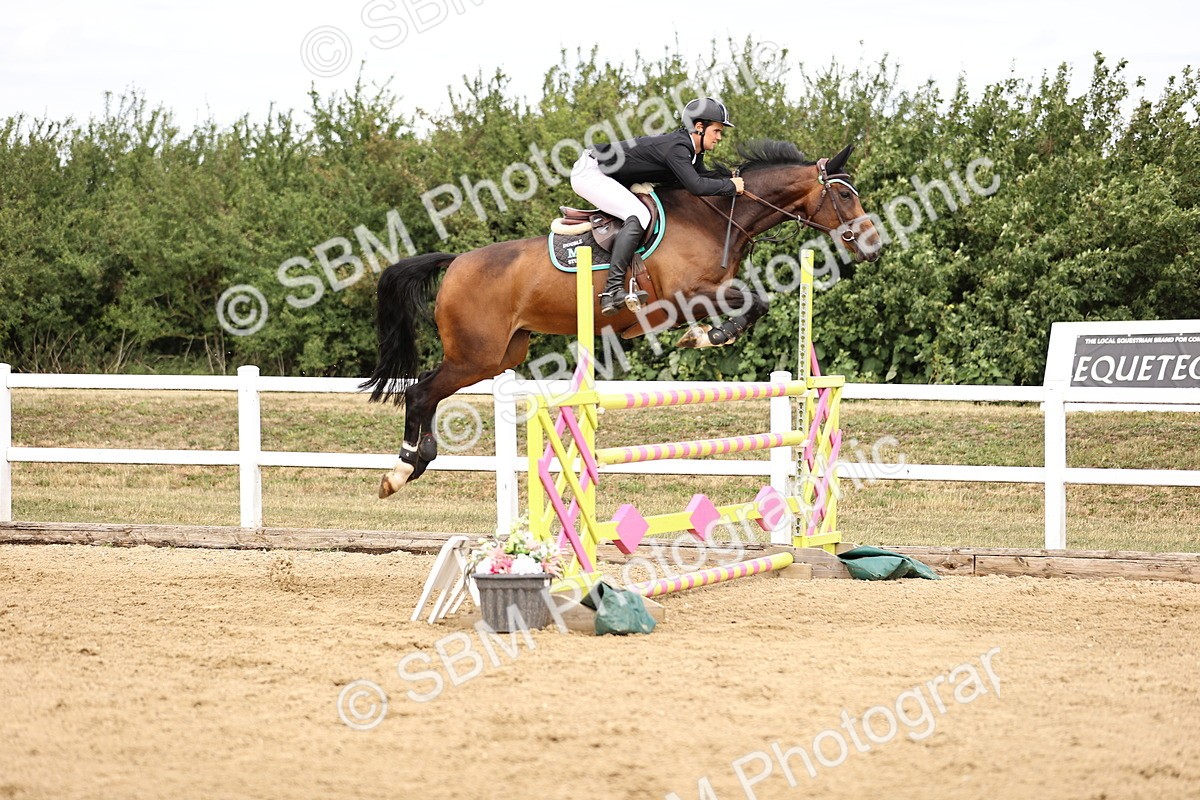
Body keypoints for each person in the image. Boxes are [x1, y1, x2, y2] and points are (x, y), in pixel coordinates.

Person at [570, 96, 746, 316]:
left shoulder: (692, 152)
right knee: (639, 214)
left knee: (638, 212)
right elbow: (696, 186)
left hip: (608, 174)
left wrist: (735, 177)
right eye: (717, 131)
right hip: (590, 172)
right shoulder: (678, 148)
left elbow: (703, 176)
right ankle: (611, 290)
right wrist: (730, 186)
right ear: (699, 127)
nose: (719, 137)